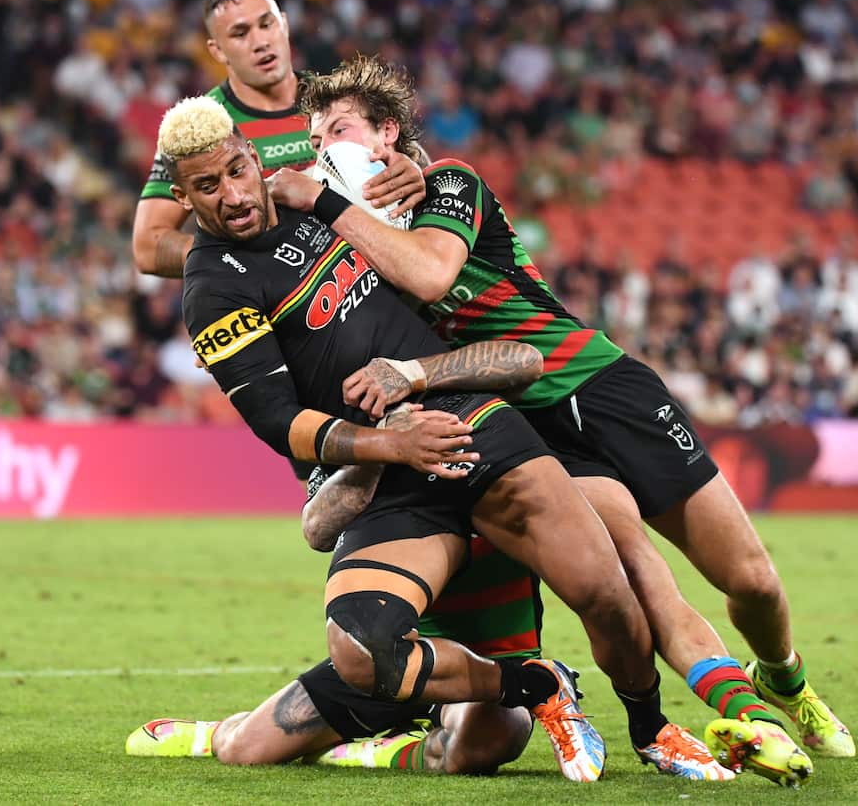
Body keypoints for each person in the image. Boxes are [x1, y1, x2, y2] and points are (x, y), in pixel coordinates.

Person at [269, 55, 851, 783]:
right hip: (522, 421)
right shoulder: (343, 239)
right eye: (314, 139)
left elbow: (432, 274)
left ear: (387, 132)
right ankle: (737, 714)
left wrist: (329, 199)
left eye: (339, 130)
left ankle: (785, 680)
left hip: (596, 385)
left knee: (752, 580)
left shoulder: (448, 182)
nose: (323, 148)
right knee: (634, 566)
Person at [161, 94, 735, 783]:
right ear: (183, 196)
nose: (232, 196)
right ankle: (535, 684)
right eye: (207, 186)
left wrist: (412, 168)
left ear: (253, 157)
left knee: (605, 589)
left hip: (467, 417)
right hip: (386, 469)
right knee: (361, 650)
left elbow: (398, 173)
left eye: (235, 172)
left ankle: (651, 728)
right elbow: (277, 422)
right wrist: (389, 445)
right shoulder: (211, 288)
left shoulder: (317, 191)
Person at [127, 403, 542, 776]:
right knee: (244, 751)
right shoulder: (358, 431)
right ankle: (224, 731)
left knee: (486, 744)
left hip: (486, 665)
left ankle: (382, 751)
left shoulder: (506, 439)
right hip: (388, 655)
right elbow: (316, 530)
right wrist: (386, 447)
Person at [131, 0, 426, 278]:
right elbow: (148, 246)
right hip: (292, 296)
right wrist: (242, 259)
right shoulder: (203, 129)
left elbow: (413, 163)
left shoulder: (336, 100)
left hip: (379, 273)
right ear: (217, 50)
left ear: (284, 24)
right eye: (240, 33)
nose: (260, 42)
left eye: (266, 24)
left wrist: (413, 171)